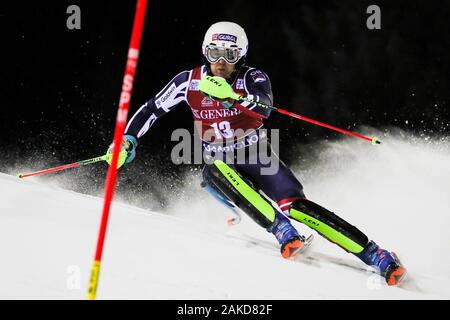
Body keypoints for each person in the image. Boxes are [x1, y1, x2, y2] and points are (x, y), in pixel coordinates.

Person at [108, 21, 406, 286]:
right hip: (222, 166)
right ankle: (283, 232)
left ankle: (377, 256)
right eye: (215, 54)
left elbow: (265, 108)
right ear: (205, 52)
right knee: (213, 169)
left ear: (242, 56)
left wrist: (233, 96)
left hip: (257, 156)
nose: (221, 62)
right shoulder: (189, 81)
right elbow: (151, 109)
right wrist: (127, 141)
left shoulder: (253, 78)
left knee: (298, 206)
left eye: (230, 55)